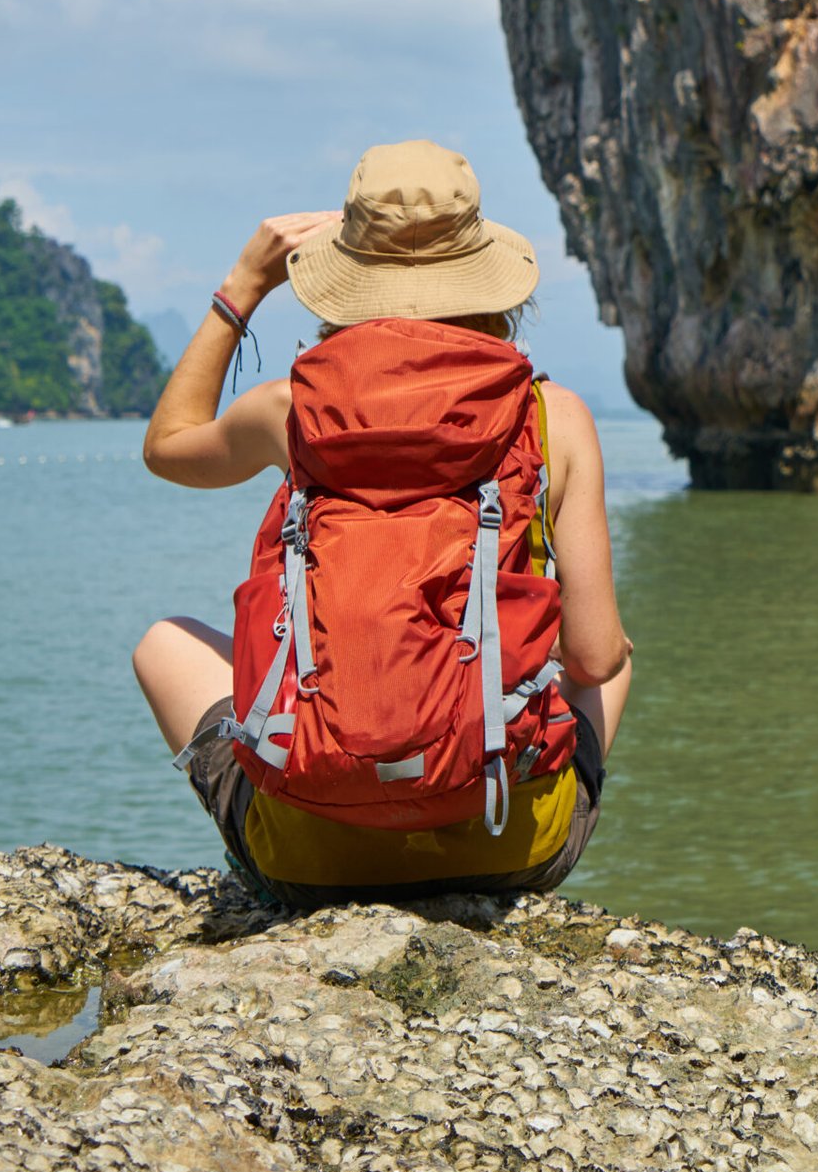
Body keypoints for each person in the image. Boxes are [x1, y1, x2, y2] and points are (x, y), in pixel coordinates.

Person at [132, 140, 632, 908]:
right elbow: (593, 661)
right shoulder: (548, 415)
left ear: (346, 277)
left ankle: (327, 814)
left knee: (163, 641)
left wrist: (242, 289)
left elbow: (167, 448)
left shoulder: (290, 411)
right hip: (509, 840)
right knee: (619, 654)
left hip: (309, 859)